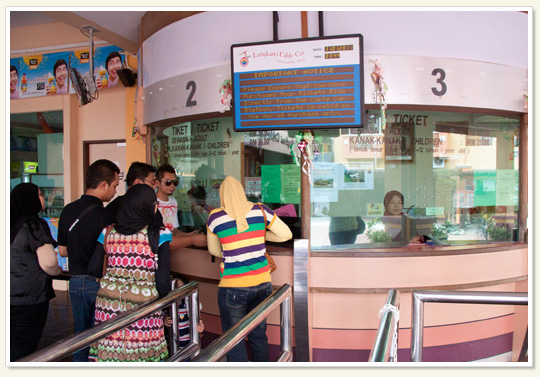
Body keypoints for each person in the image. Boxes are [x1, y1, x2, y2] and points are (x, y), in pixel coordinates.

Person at [206, 176, 292, 362]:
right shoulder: (261, 210)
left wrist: (232, 248)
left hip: (232, 288)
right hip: (262, 285)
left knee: (234, 341)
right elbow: (286, 234)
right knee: (258, 336)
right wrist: (259, 236)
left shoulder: (215, 216)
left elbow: (213, 250)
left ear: (222, 195)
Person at [88, 184, 171, 362]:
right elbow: (163, 283)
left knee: (112, 356)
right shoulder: (159, 234)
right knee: (141, 358)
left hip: (108, 308)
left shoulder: (108, 232)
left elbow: (93, 269)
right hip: (142, 310)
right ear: (151, 207)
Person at [57, 159, 120, 362]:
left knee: (80, 339)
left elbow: (63, 251)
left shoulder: (68, 210)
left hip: (75, 283)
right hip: (99, 283)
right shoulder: (105, 215)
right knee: (102, 340)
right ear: (103, 185)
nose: (115, 192)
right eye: (114, 186)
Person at [10, 183, 61, 361]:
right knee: (24, 349)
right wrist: (57, 270)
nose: (43, 198)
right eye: (39, 194)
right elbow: (48, 263)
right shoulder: (33, 225)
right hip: (29, 298)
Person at [156, 164, 207, 249]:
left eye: (175, 182)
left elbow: (174, 231)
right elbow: (158, 238)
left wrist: (188, 235)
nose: (172, 186)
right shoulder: (151, 203)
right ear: (157, 183)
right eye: (168, 182)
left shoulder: (173, 202)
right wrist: (191, 239)